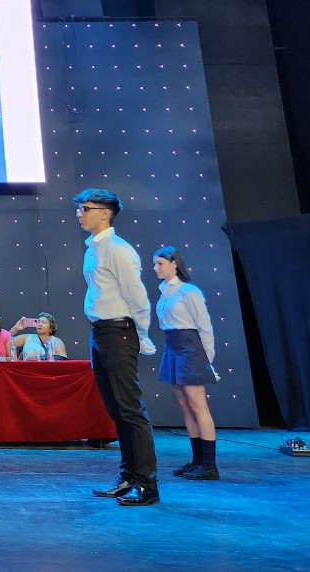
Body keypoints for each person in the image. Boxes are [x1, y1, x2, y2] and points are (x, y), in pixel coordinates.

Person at [74, 187, 160, 507]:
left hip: (119, 331)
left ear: (105, 213)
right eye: (80, 208)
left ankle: (147, 484)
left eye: (86, 208)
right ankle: (128, 476)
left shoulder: (117, 249)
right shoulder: (93, 249)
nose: (80, 213)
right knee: (116, 410)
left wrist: (143, 333)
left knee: (130, 409)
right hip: (100, 332)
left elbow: (136, 295)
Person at [153, 247, 219, 480]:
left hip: (189, 348)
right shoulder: (164, 292)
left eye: (160, 263)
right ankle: (197, 460)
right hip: (171, 346)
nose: (156, 268)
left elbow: (204, 326)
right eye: (155, 264)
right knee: (185, 405)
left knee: (198, 405)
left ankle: (210, 465)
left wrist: (206, 360)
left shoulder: (189, 291)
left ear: (174, 264)